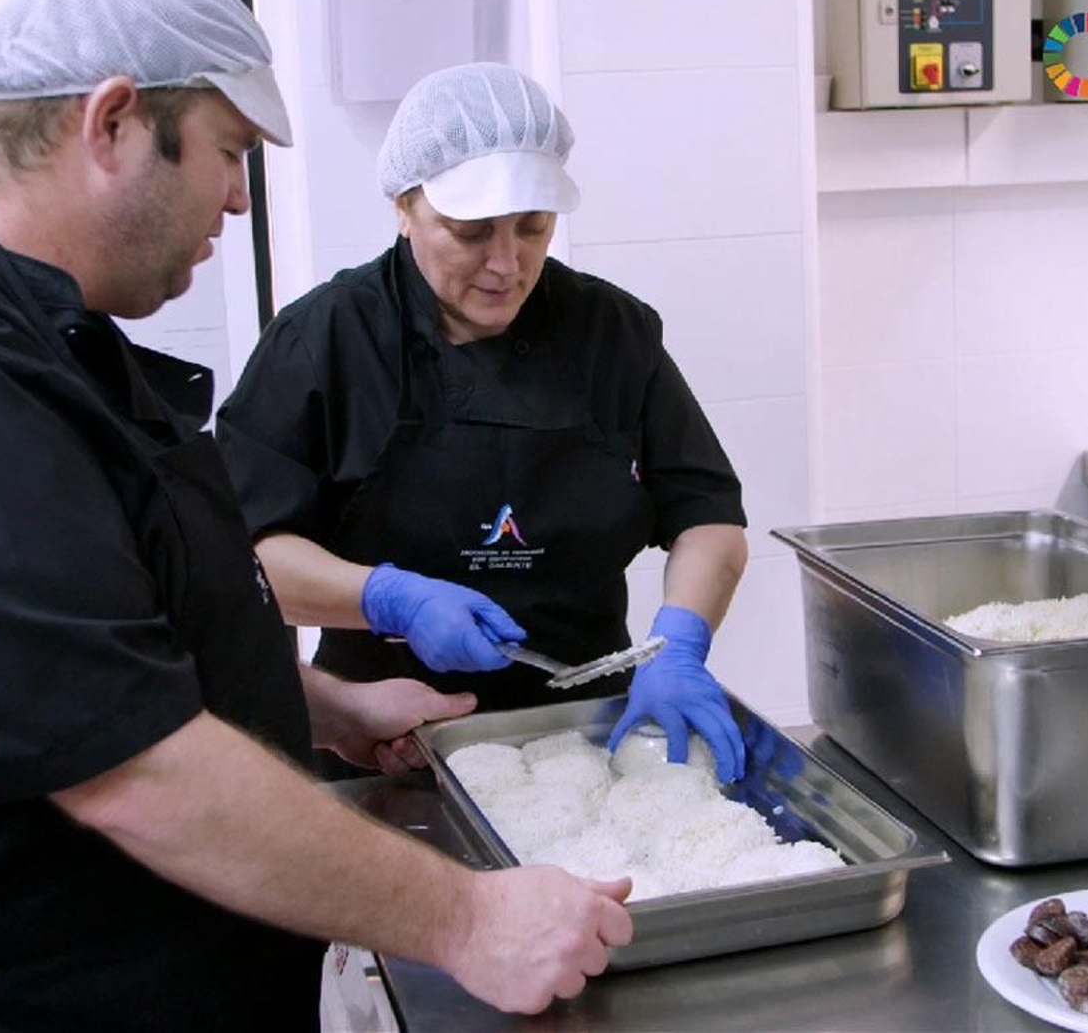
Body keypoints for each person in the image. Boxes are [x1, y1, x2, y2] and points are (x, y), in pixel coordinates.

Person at [0, 0, 629, 1029]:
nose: (236, 200)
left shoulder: (65, 341)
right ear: (113, 123)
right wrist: (465, 921)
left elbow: (117, 642)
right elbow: (131, 771)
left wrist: (322, 703)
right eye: (229, 153)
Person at [216, 62, 750, 782]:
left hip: (585, 735)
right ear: (405, 206)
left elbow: (708, 515)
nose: (508, 263)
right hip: (381, 732)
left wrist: (679, 641)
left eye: (533, 228)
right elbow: (248, 555)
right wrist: (389, 599)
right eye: (470, 233)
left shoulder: (612, 333)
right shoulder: (324, 342)